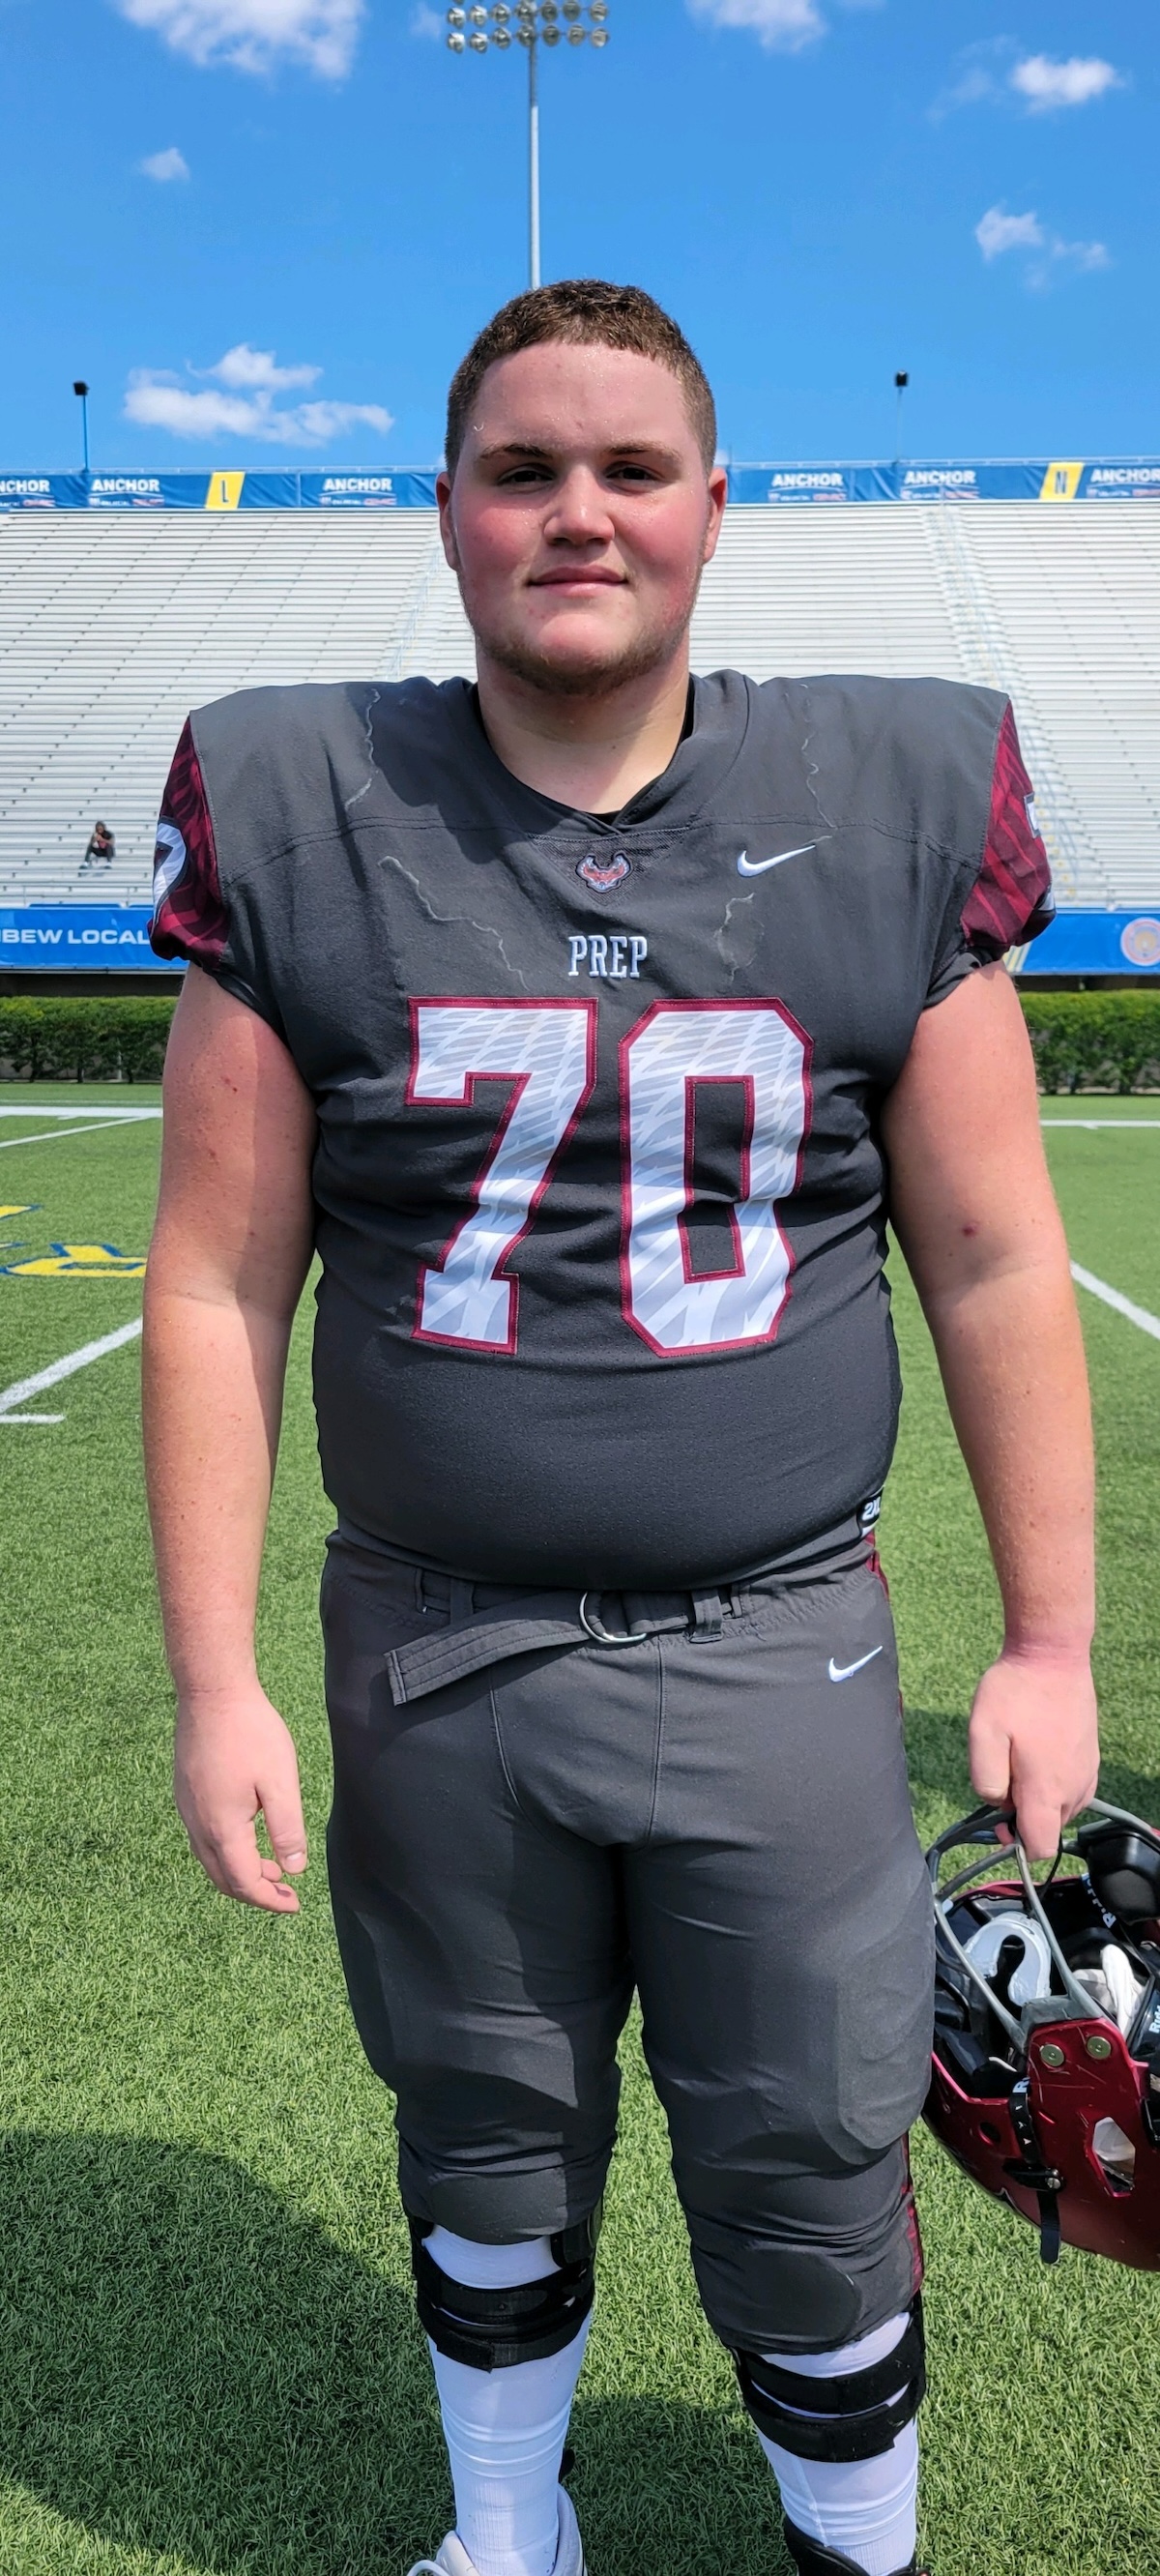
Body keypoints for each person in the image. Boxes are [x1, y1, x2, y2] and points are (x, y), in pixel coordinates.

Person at [143, 280, 1099, 2576]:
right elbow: (216, 1281)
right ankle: (510, 2532)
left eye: (630, 468)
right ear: (448, 512)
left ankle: (854, 2553)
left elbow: (990, 1259)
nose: (578, 511)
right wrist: (210, 1676)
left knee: (811, 2159)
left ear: (712, 510)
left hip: (777, 1640)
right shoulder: (305, 803)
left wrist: (1052, 1638)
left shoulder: (879, 798)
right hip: (437, 1644)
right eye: (524, 469)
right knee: (483, 2136)